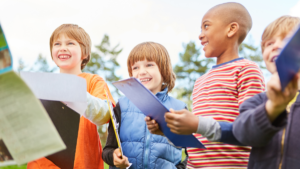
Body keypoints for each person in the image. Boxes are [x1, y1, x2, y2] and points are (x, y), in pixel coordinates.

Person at [146, 2, 265, 168]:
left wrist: (196, 124)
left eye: (206, 26)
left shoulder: (246, 70)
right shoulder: (200, 81)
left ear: (231, 29)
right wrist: (167, 131)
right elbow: (196, 139)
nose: (200, 35)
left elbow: (251, 128)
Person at [27, 24, 115, 169]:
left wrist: (74, 92)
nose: (62, 47)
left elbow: (107, 114)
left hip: (82, 164)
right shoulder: (42, 86)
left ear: (84, 53)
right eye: (57, 44)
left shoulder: (93, 81)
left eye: (70, 43)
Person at [102, 42, 187, 169]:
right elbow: (108, 149)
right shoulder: (122, 106)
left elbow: (193, 153)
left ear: (164, 69)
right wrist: (114, 156)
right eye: (135, 67)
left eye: (149, 65)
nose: (141, 72)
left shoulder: (179, 108)